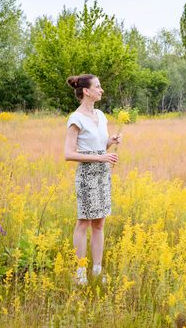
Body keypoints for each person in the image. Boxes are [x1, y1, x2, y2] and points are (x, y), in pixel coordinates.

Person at [63, 74, 122, 285]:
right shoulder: (75, 118)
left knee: (99, 223)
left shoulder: (101, 115)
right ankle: (80, 273)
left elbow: (99, 146)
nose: (101, 90)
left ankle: (97, 271)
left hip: (103, 174)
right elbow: (69, 154)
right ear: (86, 91)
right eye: (98, 86)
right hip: (87, 175)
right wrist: (100, 157)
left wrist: (110, 141)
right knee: (84, 222)